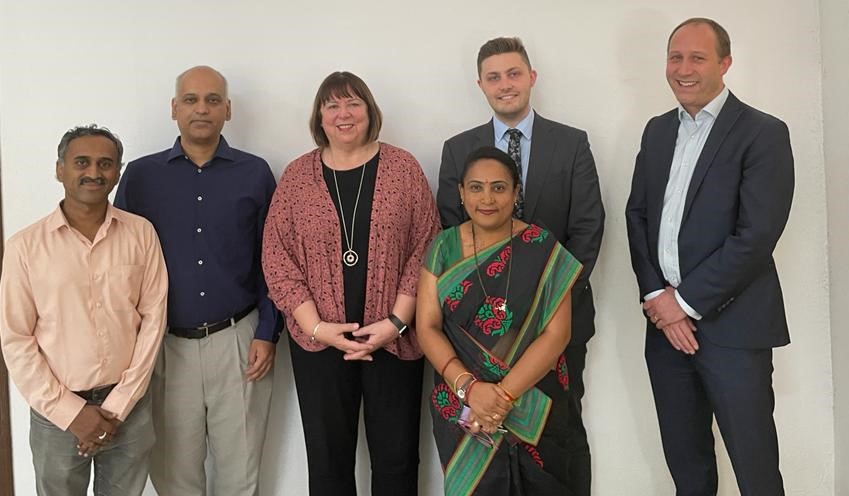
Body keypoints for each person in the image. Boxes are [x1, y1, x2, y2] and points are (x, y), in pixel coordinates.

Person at [625, 18, 794, 496]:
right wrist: (658, 298)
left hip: (734, 331)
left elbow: (756, 236)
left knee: (757, 473)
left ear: (725, 63)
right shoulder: (657, 131)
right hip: (665, 333)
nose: (684, 69)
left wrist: (683, 303)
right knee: (689, 471)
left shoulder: (763, 133)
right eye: (675, 57)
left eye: (697, 58)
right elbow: (637, 215)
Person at [262, 71, 440, 496]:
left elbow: (427, 245)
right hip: (319, 345)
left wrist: (395, 323)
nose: (344, 114)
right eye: (332, 105)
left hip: (395, 340)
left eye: (353, 103)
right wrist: (317, 328)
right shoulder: (297, 177)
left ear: (369, 111)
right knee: (328, 463)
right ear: (319, 117)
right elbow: (276, 255)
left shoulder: (404, 168)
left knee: (397, 460)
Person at [115, 66, 282, 496]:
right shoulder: (141, 176)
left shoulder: (255, 173)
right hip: (163, 346)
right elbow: (120, 263)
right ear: (174, 108)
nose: (202, 109)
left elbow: (274, 261)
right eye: (190, 99)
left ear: (228, 109)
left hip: (239, 342)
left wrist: (267, 331)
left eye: (212, 99)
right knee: (174, 476)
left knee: (240, 474)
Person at [0, 125, 168, 495]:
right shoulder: (24, 247)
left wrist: (118, 406)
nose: (94, 172)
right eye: (81, 162)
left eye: (105, 163)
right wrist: (71, 413)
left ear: (117, 172)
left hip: (129, 409)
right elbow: (16, 339)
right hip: (56, 416)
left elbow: (154, 322)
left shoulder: (141, 234)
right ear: (59, 170)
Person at [418, 146, 587, 496]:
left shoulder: (543, 248)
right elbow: (427, 327)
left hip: (534, 399)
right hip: (461, 403)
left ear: (515, 192)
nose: (487, 198)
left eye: (498, 187)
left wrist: (501, 397)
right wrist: (469, 389)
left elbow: (558, 334)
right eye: (476, 187)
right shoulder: (443, 248)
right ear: (461, 193)